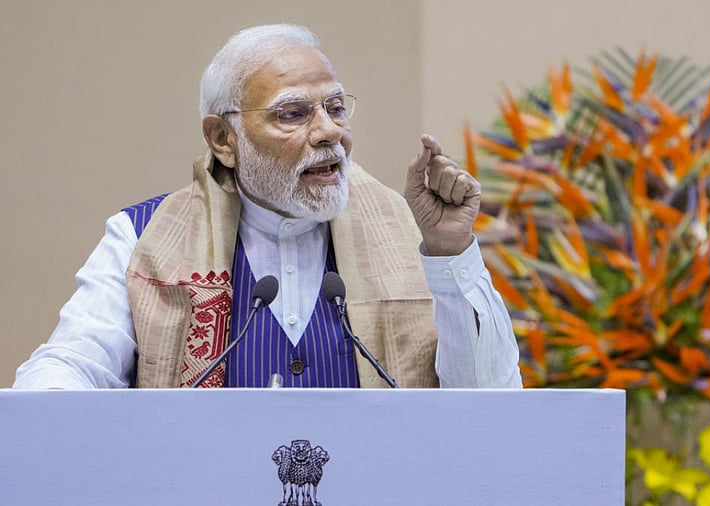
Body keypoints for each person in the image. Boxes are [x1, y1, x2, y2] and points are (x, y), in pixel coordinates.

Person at [13, 24, 522, 390]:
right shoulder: (141, 237)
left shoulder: (415, 235)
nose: (330, 133)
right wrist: (48, 408)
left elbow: (492, 399)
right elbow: (73, 363)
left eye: (337, 108)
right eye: (294, 114)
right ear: (223, 139)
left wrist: (449, 252)